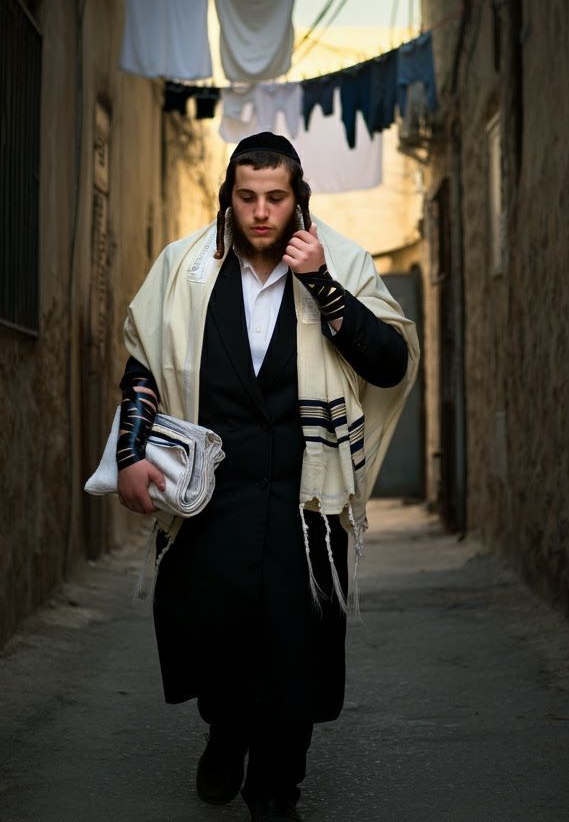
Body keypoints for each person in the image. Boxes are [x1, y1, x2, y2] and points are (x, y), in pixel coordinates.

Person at [115, 132, 418, 822]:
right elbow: (144, 367)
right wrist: (132, 453)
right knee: (212, 633)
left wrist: (320, 283)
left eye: (275, 198)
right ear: (229, 196)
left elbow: (390, 363)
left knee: (296, 647)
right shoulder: (184, 268)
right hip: (211, 498)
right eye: (247, 197)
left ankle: (276, 789)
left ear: (297, 198)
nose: (260, 212)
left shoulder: (339, 262)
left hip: (305, 500)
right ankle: (225, 730)